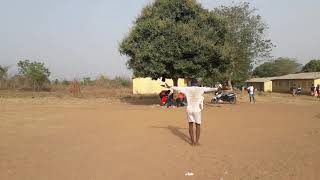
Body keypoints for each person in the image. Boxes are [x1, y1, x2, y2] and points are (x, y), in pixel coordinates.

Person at [163, 81, 217, 146]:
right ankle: (197, 142)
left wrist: (169, 86)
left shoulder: (187, 89)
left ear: (191, 84)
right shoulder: (201, 89)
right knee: (198, 125)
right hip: (197, 109)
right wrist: (217, 88)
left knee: (190, 125)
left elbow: (177, 88)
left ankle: (192, 142)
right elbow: (211, 89)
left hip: (189, 109)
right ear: (198, 84)